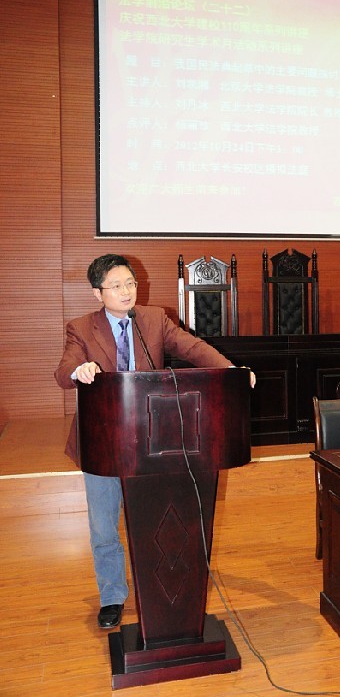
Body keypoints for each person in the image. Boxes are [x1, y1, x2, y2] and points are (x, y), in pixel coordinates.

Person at [55, 253, 254, 630]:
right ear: (98, 293)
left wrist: (230, 371)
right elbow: (64, 370)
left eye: (130, 283)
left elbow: (192, 348)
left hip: (151, 440)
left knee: (152, 520)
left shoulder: (153, 318)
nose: (126, 291)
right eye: (116, 286)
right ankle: (112, 596)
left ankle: (158, 589)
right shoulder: (81, 328)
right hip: (102, 441)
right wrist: (79, 370)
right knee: (103, 526)